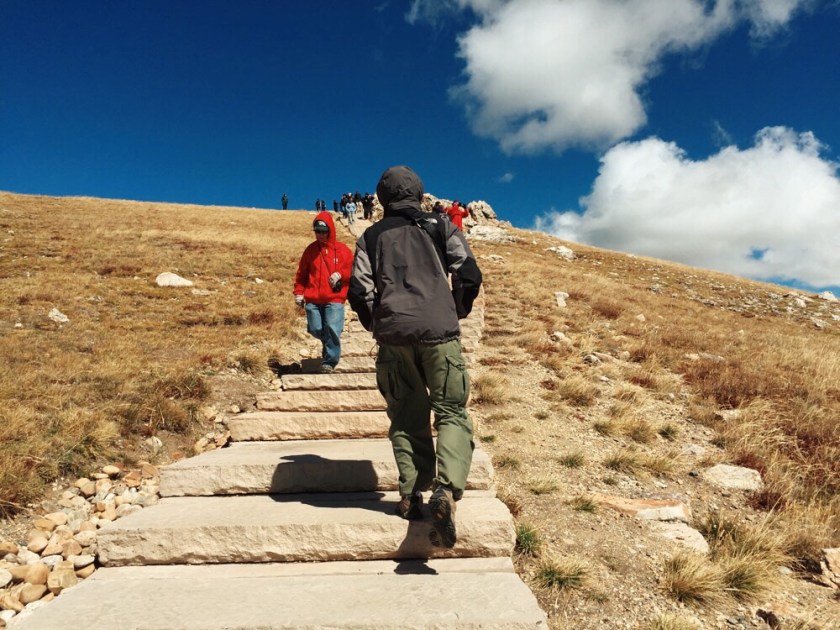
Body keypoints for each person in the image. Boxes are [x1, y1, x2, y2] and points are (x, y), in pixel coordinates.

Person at [349, 165, 482, 549]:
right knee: (452, 412)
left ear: (383, 198)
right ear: (419, 192)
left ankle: (411, 495)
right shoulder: (441, 226)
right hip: (439, 333)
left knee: (406, 416)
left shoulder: (370, 237)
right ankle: (447, 489)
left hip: (394, 337)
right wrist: (456, 308)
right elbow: (469, 272)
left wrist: (379, 323)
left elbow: (360, 290)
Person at [293, 212, 353, 373]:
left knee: (332, 328)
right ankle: (330, 344)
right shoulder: (310, 250)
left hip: (334, 298)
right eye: (317, 231)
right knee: (315, 329)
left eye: (323, 231)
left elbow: (352, 270)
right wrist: (299, 293)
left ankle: (330, 362)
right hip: (313, 299)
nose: (320, 234)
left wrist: (340, 274)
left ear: (330, 230)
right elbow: (302, 274)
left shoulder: (342, 250)